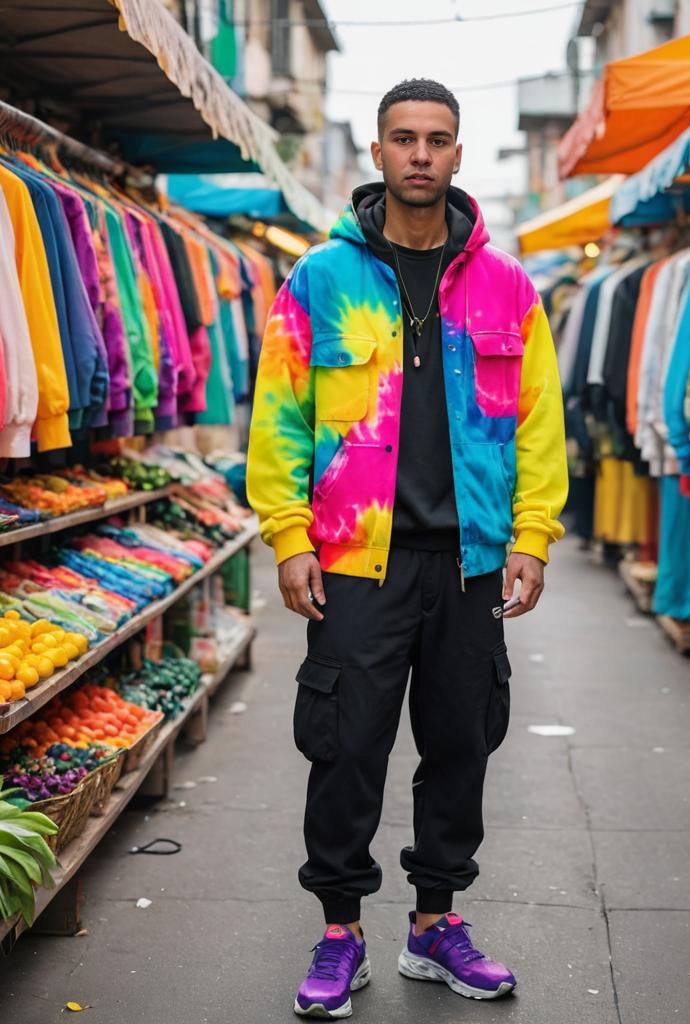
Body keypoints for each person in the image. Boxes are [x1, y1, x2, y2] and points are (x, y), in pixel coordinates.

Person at [247, 78, 568, 1019]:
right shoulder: (319, 278)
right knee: (346, 747)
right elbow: (278, 416)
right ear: (379, 154)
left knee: (460, 744)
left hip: (468, 561)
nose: (420, 154)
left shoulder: (507, 285)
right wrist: (286, 534)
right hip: (355, 560)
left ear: (459, 153)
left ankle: (435, 927)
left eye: (437, 139)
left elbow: (539, 426)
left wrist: (534, 536)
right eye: (403, 139)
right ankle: (339, 933)